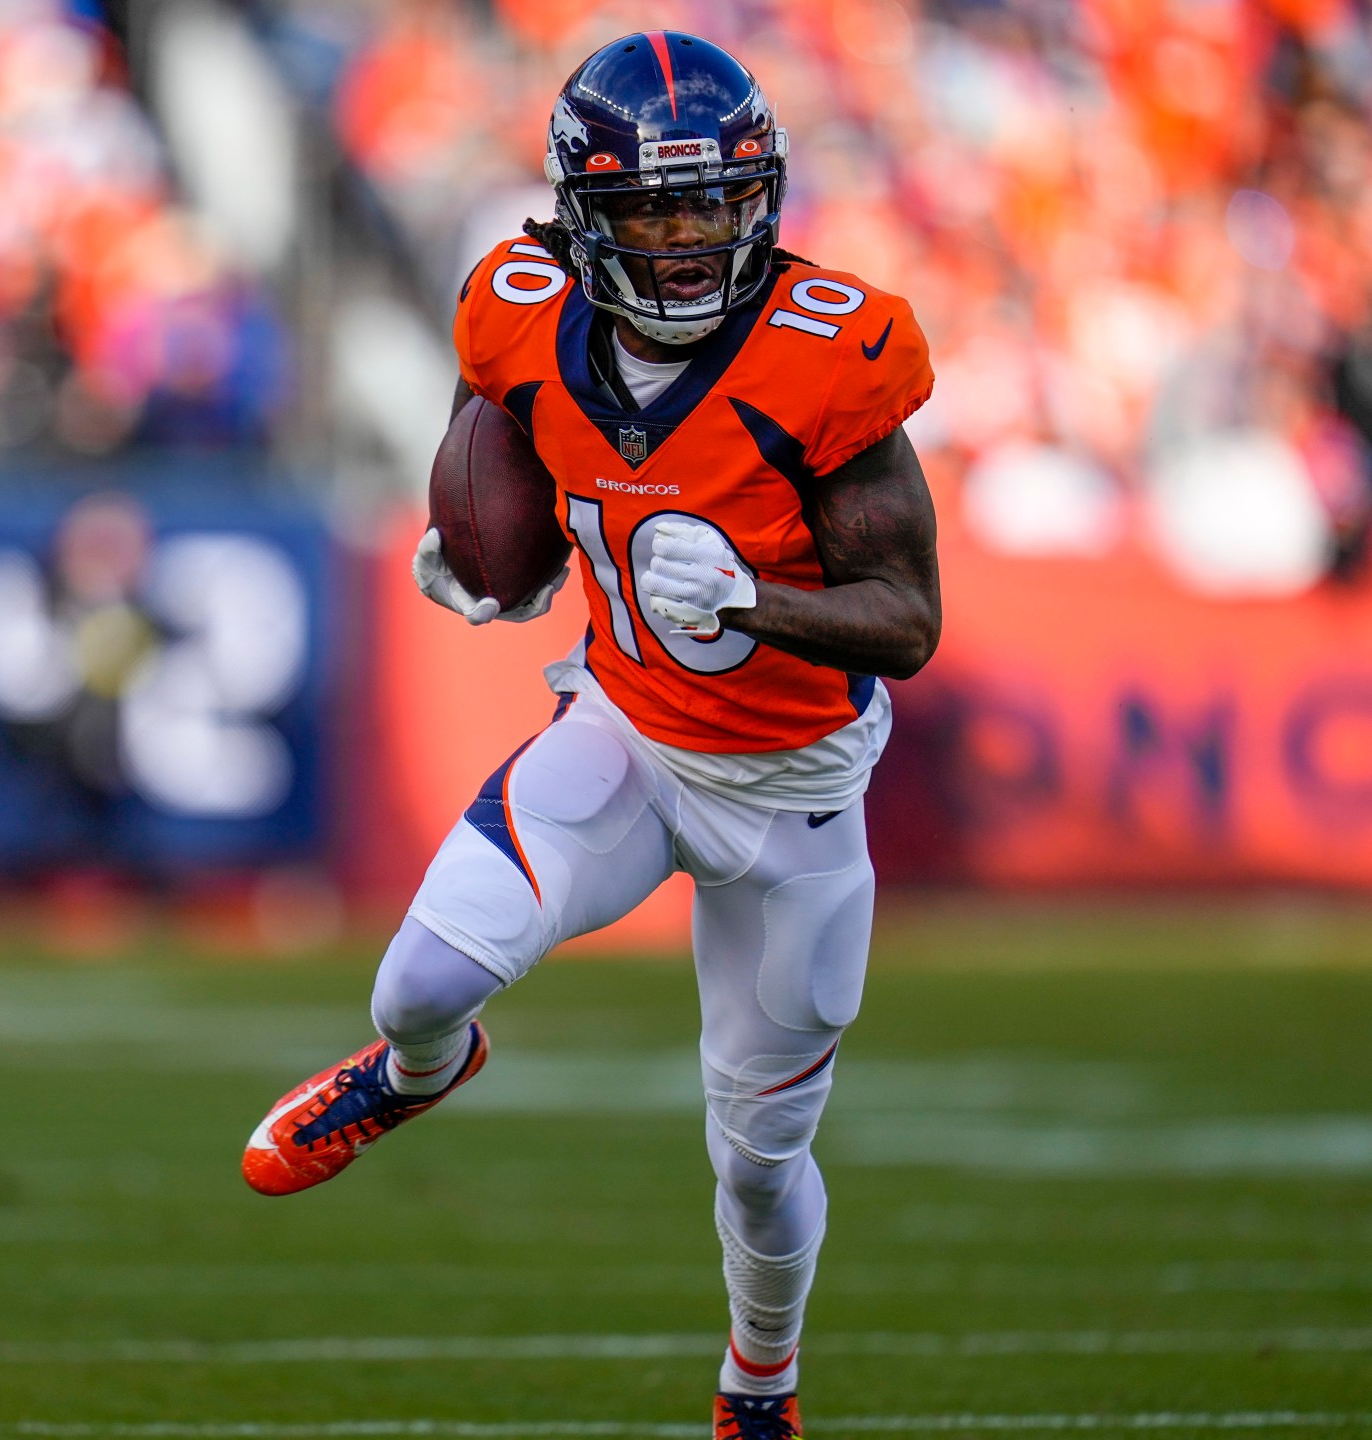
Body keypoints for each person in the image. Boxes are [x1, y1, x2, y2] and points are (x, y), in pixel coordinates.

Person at [241, 32, 939, 1440]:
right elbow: (498, 430)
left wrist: (761, 603)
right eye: (647, 213)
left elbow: (909, 621)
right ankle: (415, 1081)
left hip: (795, 800)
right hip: (625, 732)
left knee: (755, 1163)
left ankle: (761, 1381)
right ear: (580, 214)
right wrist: (487, 551)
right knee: (416, 986)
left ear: (764, 201)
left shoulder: (833, 355)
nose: (684, 246)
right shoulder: (513, 299)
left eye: (710, 208)